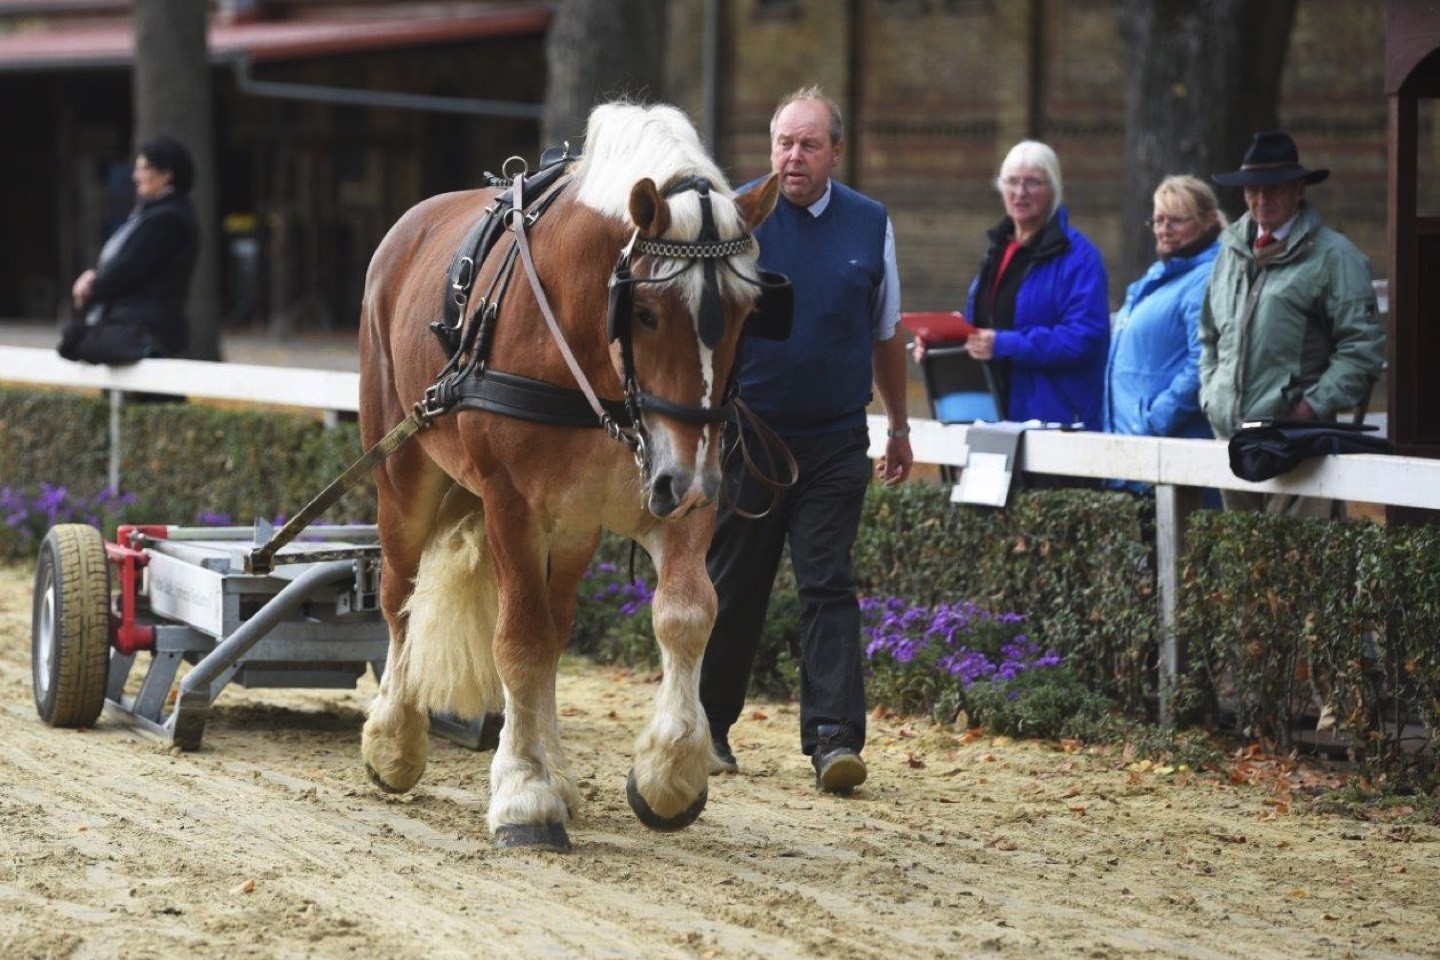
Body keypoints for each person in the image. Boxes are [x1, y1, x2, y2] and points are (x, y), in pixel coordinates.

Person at [699, 86, 912, 795]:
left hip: (835, 441)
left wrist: (900, 427)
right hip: (751, 438)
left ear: (836, 152)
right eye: (784, 143)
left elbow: (886, 335)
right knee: (736, 584)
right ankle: (707, 726)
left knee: (828, 585)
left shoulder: (870, 224)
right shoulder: (733, 217)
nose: (794, 157)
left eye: (809, 144)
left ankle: (834, 742)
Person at [1199, 131, 1386, 516]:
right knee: (1242, 565)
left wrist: (1309, 409)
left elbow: (1362, 351)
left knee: (1300, 566)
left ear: (1299, 190)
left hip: (1298, 448)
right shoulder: (1229, 252)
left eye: (1275, 189)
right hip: (1231, 441)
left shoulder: (1336, 257)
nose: (1261, 199)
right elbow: (1208, 335)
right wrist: (1211, 395)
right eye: (1253, 189)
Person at [928, 140, 1109, 429]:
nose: (1020, 193)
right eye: (1011, 182)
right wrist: (938, 344)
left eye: (1033, 183)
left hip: (1055, 419)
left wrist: (1005, 344)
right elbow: (980, 330)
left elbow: (1083, 338)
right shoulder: (998, 249)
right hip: (989, 414)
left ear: (1054, 188)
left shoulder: (1079, 257)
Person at [1102, 175, 1226, 493]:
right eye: (1158, 219)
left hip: (1168, 453)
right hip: (1134, 452)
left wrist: (1155, 419)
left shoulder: (1204, 279)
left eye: (1176, 220)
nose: (1163, 229)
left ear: (1208, 221)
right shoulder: (1163, 274)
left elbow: (1205, 363)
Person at [59, 135, 199, 365]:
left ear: (167, 174)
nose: (136, 176)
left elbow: (130, 269)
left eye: (144, 168)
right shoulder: (155, 214)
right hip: (141, 325)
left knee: (74, 340)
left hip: (144, 328)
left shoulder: (167, 220)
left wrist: (92, 287)